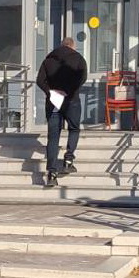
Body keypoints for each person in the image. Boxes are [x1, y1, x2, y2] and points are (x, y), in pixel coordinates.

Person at [36, 37, 88, 187]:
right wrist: (69, 91)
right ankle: (68, 160)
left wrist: (51, 92)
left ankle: (51, 174)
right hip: (71, 100)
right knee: (74, 129)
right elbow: (82, 77)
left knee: (53, 137)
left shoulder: (48, 60)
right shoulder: (78, 59)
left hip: (53, 101)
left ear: (61, 46)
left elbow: (40, 80)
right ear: (72, 46)